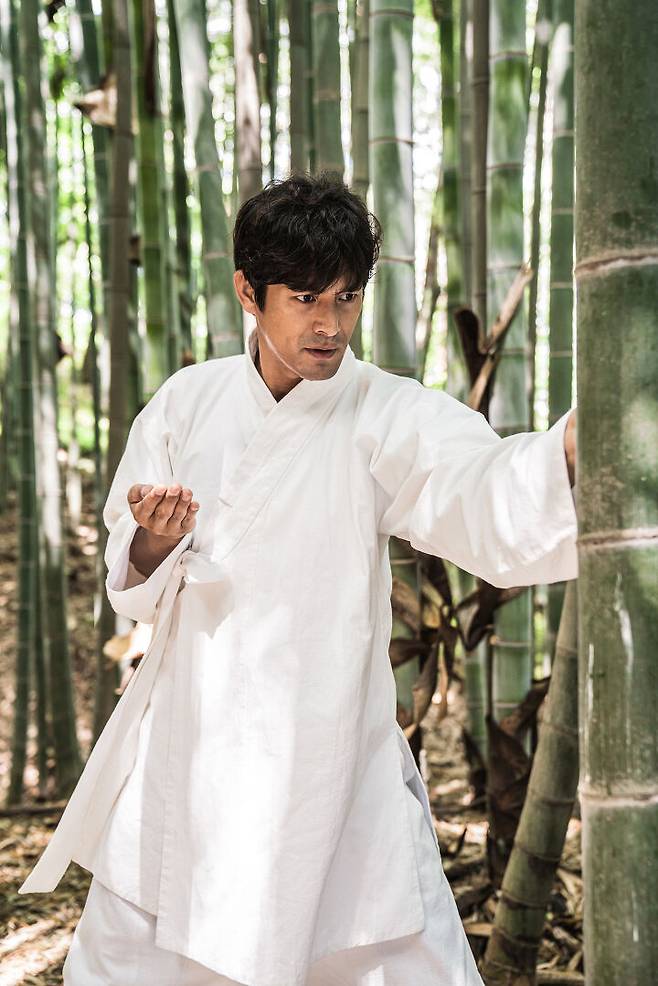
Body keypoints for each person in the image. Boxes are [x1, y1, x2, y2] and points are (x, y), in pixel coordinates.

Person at [19, 172, 577, 986]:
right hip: (193, 743)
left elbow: (481, 489)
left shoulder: (387, 412)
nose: (330, 324)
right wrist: (153, 541)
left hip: (327, 750)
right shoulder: (186, 403)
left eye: (347, 298)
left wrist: (568, 455)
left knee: (374, 937)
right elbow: (128, 580)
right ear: (249, 292)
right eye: (306, 298)